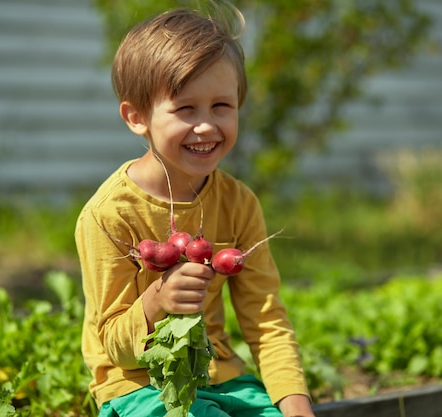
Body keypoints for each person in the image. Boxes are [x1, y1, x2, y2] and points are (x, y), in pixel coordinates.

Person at [75, 4, 313, 417]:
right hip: (138, 385)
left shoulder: (238, 202)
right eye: (186, 109)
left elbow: (265, 319)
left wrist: (297, 407)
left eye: (222, 106)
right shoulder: (108, 214)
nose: (206, 126)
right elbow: (112, 342)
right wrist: (158, 299)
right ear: (136, 117)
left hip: (219, 375)